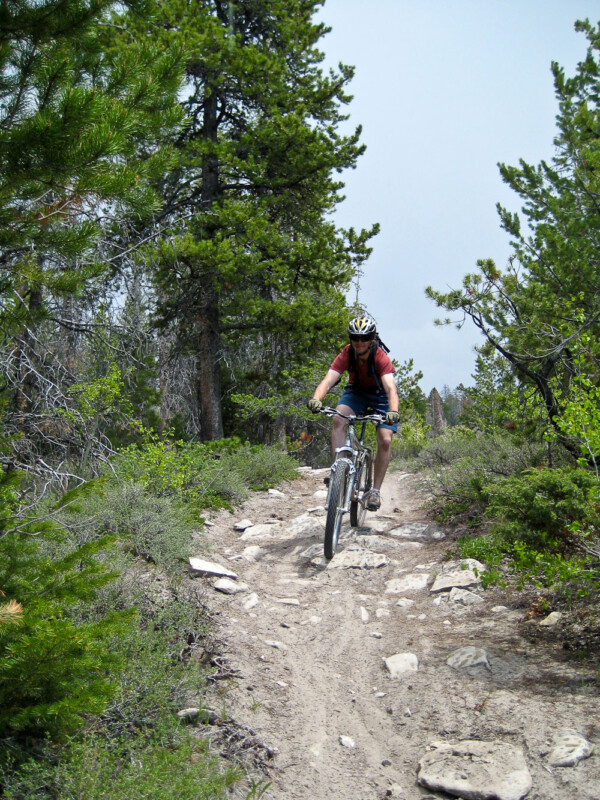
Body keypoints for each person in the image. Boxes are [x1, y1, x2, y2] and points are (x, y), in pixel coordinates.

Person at [307, 316, 400, 511]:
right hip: (356, 392)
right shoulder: (347, 353)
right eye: (355, 338)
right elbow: (328, 379)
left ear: (371, 339)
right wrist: (317, 398)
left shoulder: (379, 356)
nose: (359, 342)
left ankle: (375, 490)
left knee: (385, 439)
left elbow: (391, 388)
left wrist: (393, 411)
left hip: (380, 396)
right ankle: (339, 471)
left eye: (364, 338)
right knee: (338, 418)